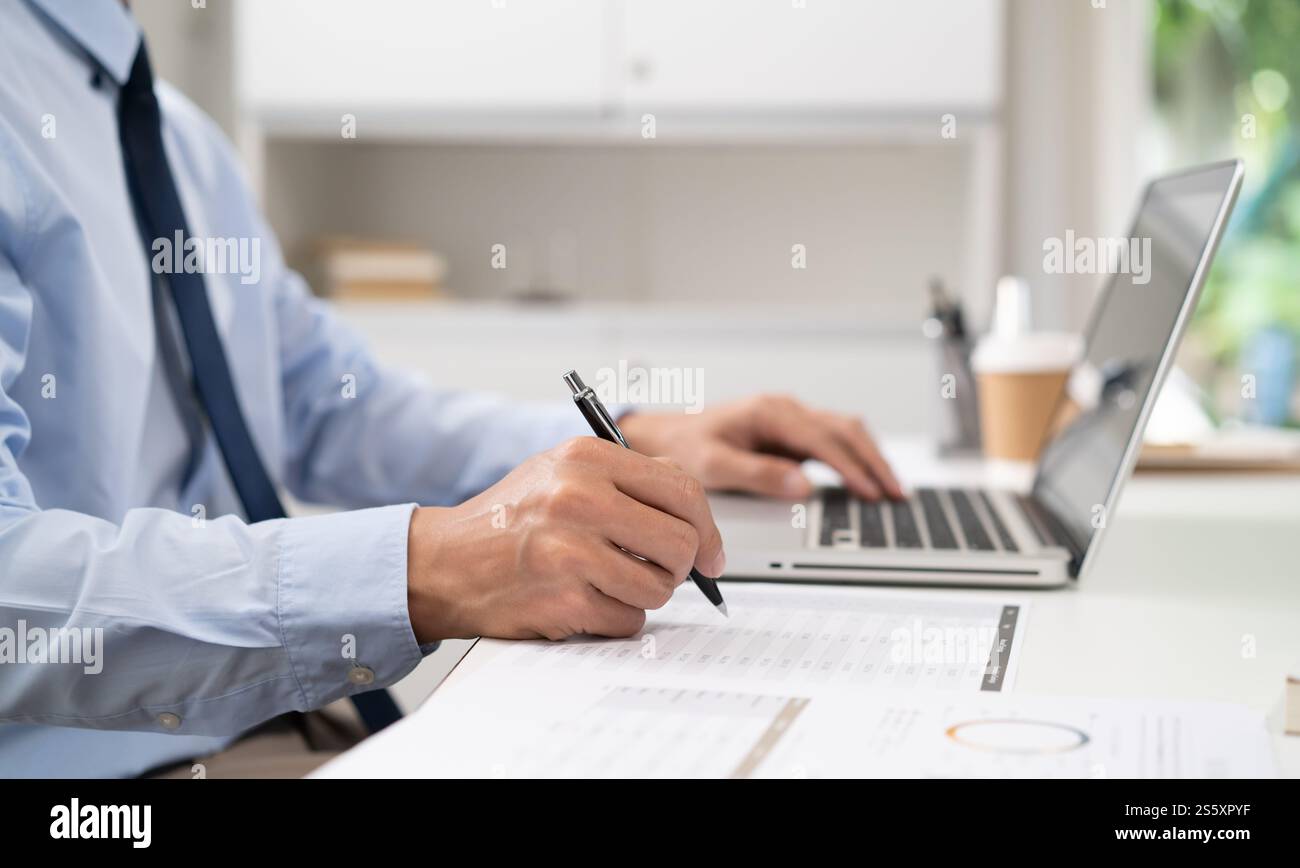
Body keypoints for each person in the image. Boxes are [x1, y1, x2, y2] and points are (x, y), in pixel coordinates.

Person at [0, 0, 900, 778]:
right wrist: (429, 566)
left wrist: (632, 440)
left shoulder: (177, 136)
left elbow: (331, 403)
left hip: (279, 730)